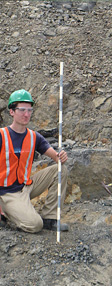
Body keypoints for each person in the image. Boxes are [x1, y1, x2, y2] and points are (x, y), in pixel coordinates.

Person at [0, 89, 69, 233]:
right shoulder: (2, 135)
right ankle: (7, 213)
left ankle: (50, 218)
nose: (26, 114)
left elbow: (55, 157)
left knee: (60, 170)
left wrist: (60, 157)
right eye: (22, 110)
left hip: (26, 186)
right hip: (6, 193)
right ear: (12, 111)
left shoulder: (34, 137)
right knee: (35, 225)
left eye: (29, 110)